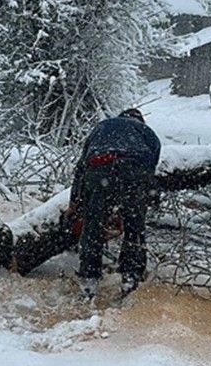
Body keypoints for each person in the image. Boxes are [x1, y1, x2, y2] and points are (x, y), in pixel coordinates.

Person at [66, 107, 161, 301]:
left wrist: (75, 202)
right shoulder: (147, 133)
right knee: (135, 228)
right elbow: (151, 171)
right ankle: (130, 278)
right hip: (135, 171)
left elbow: (81, 168)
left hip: (100, 168)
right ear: (140, 121)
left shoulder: (102, 127)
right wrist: (149, 199)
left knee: (92, 226)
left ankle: (89, 282)